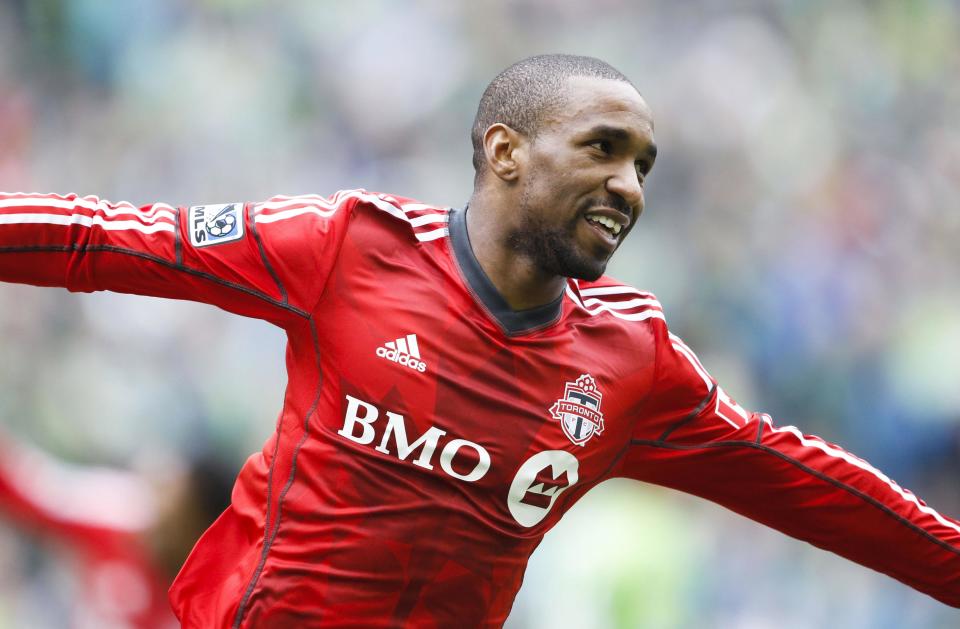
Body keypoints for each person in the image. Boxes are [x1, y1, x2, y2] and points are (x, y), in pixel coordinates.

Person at [0, 54, 957, 627]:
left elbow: (809, 488)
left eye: (645, 165)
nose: (629, 185)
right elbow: (101, 236)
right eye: (603, 148)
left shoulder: (634, 367)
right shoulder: (345, 248)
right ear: (505, 151)